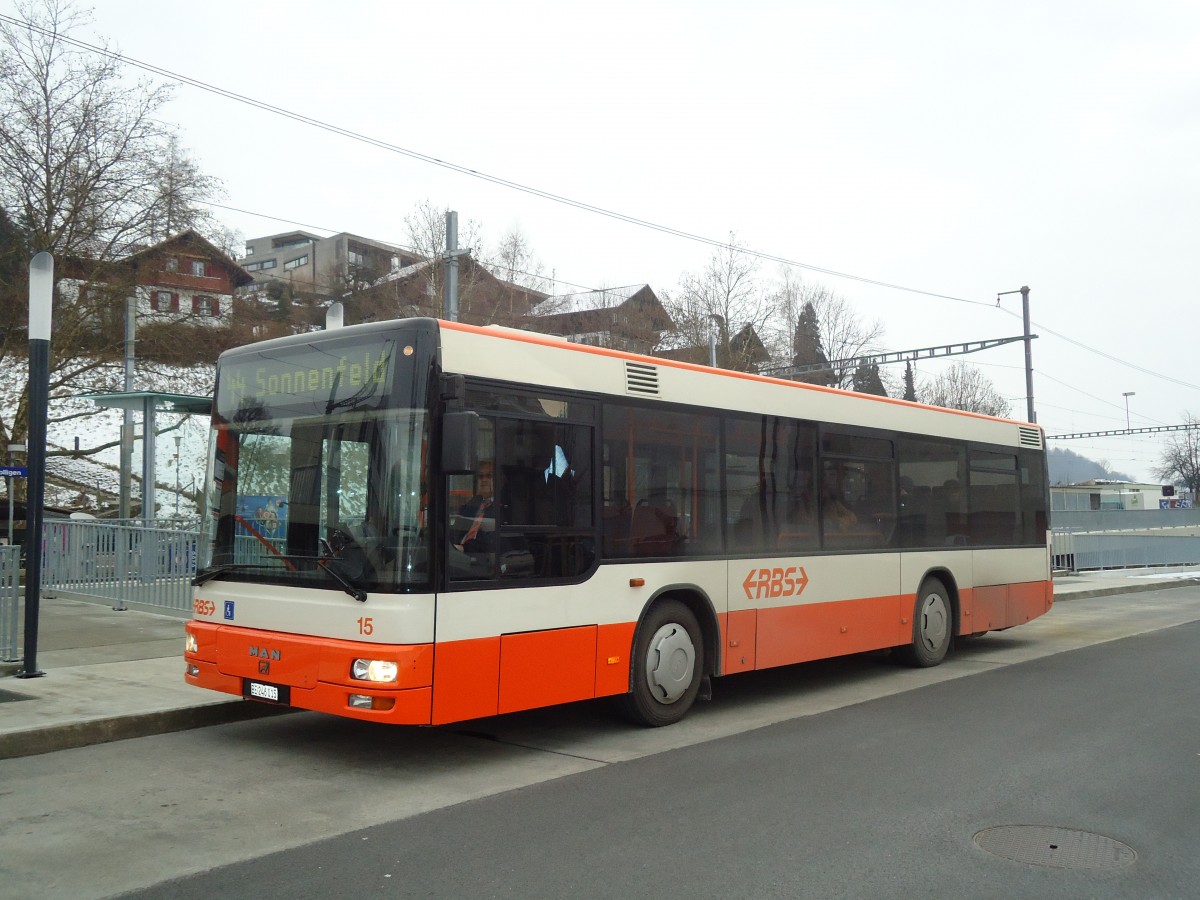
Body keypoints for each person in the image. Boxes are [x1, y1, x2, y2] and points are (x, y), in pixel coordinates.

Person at [454, 461, 496, 553]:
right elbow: (456, 530)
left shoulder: (502, 506)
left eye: (489, 476)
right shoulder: (472, 504)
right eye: (481, 476)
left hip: (481, 556)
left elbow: (493, 541)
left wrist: (465, 548)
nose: (484, 480)